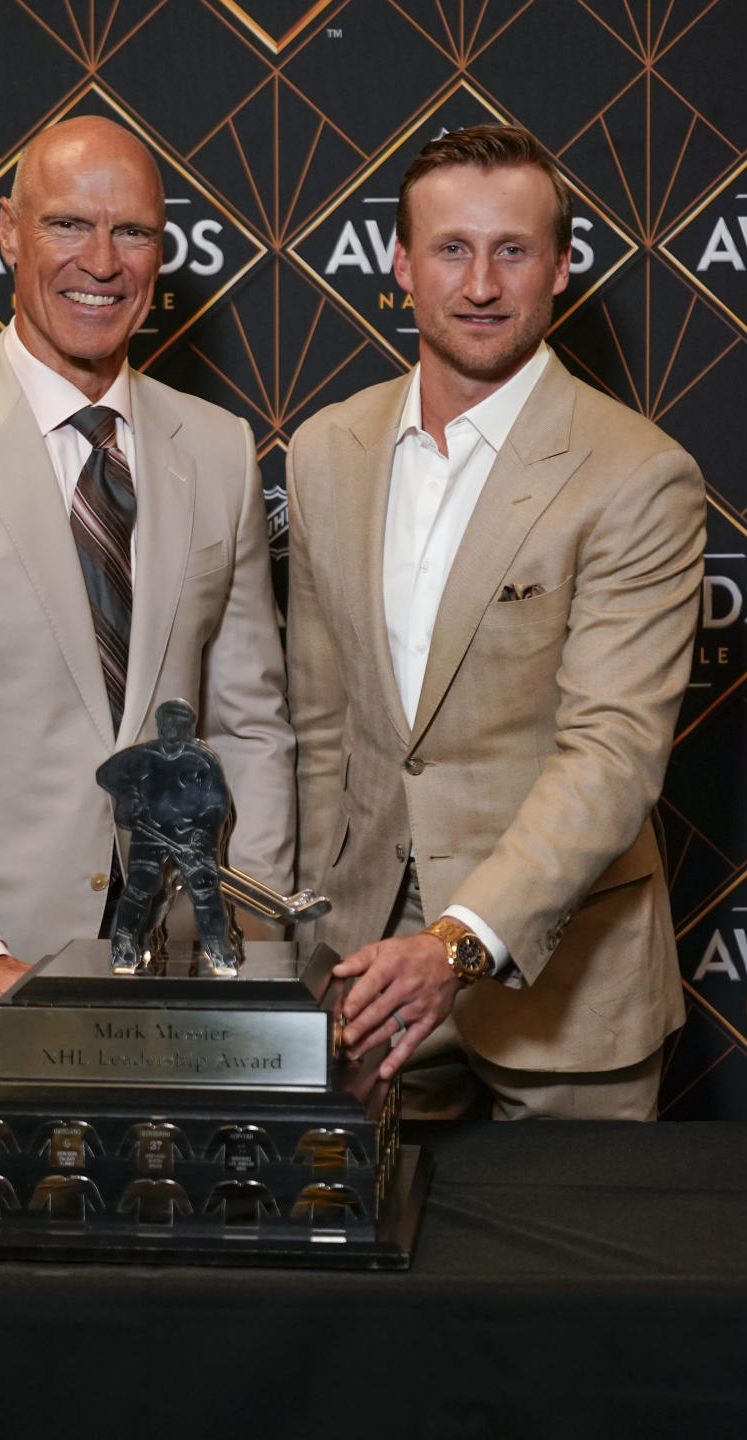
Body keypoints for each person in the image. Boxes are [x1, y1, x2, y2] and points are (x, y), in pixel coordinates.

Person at [0, 116, 294, 1110]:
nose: (101, 263)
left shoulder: (216, 449)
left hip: (165, 999)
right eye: (67, 225)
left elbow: (249, 725)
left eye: (134, 234)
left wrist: (251, 954)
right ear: (6, 232)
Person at [286, 124, 705, 1121]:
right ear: (400, 263)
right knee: (350, 1273)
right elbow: (318, 724)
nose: (480, 284)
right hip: (367, 978)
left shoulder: (640, 475)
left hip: (565, 993)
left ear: (560, 266)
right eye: (451, 249)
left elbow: (610, 755)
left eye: (512, 251)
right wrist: (317, 940)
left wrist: (460, 942)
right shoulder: (324, 451)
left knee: (568, 1277)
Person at [97, 698, 241, 973]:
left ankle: (217, 945)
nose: (174, 728)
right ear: (161, 725)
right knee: (140, 887)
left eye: (180, 722)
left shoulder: (202, 761)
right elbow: (107, 774)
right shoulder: (143, 755)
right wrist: (128, 797)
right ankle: (125, 942)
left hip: (191, 836)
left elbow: (217, 803)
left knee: (206, 891)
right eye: (169, 722)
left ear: (189, 726)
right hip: (149, 834)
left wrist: (202, 834)